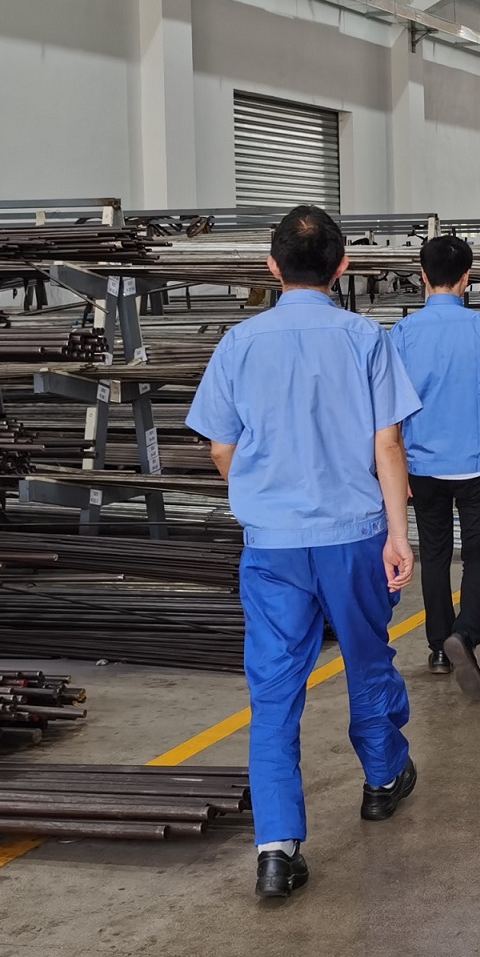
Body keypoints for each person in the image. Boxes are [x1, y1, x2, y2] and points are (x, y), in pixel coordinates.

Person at [187, 205, 422, 902]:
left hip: (273, 548)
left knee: (274, 692)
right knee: (368, 660)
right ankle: (381, 779)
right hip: (352, 537)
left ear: (272, 266)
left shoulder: (238, 343)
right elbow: (388, 444)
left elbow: (221, 448)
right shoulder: (366, 339)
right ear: (343, 267)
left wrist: (266, 494)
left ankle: (277, 848)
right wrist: (398, 533)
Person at [389, 234, 480, 701]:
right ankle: (465, 634)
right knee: (479, 554)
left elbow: (388, 411)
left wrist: (391, 470)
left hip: (422, 465)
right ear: (467, 278)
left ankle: (438, 647)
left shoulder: (402, 334)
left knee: (433, 554)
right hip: (476, 464)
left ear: (422, 277)